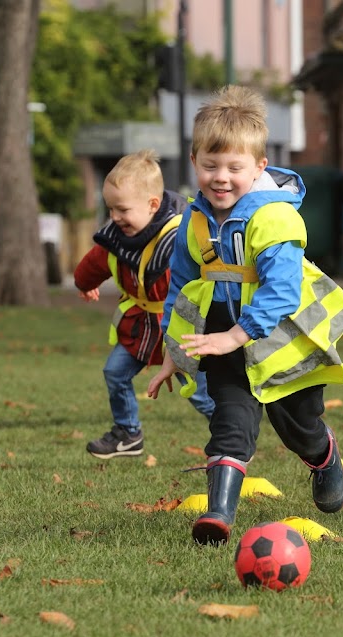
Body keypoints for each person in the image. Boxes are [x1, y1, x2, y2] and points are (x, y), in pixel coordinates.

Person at [145, 85, 343, 545]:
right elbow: (181, 290)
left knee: (298, 427)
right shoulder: (192, 225)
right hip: (225, 344)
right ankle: (218, 516)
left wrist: (236, 336)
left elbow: (281, 293)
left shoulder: (275, 220)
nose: (221, 177)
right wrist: (174, 353)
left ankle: (323, 456)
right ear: (194, 160)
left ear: (259, 167)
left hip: (282, 343)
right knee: (231, 421)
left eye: (234, 168)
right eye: (210, 165)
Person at [74, 149, 214, 459]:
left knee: (200, 392)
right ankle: (127, 433)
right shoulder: (115, 238)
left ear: (153, 205)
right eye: (109, 209)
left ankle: (230, 434)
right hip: (139, 328)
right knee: (115, 372)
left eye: (122, 209)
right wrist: (85, 284)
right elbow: (92, 263)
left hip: (179, 329)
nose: (115, 217)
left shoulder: (180, 236)